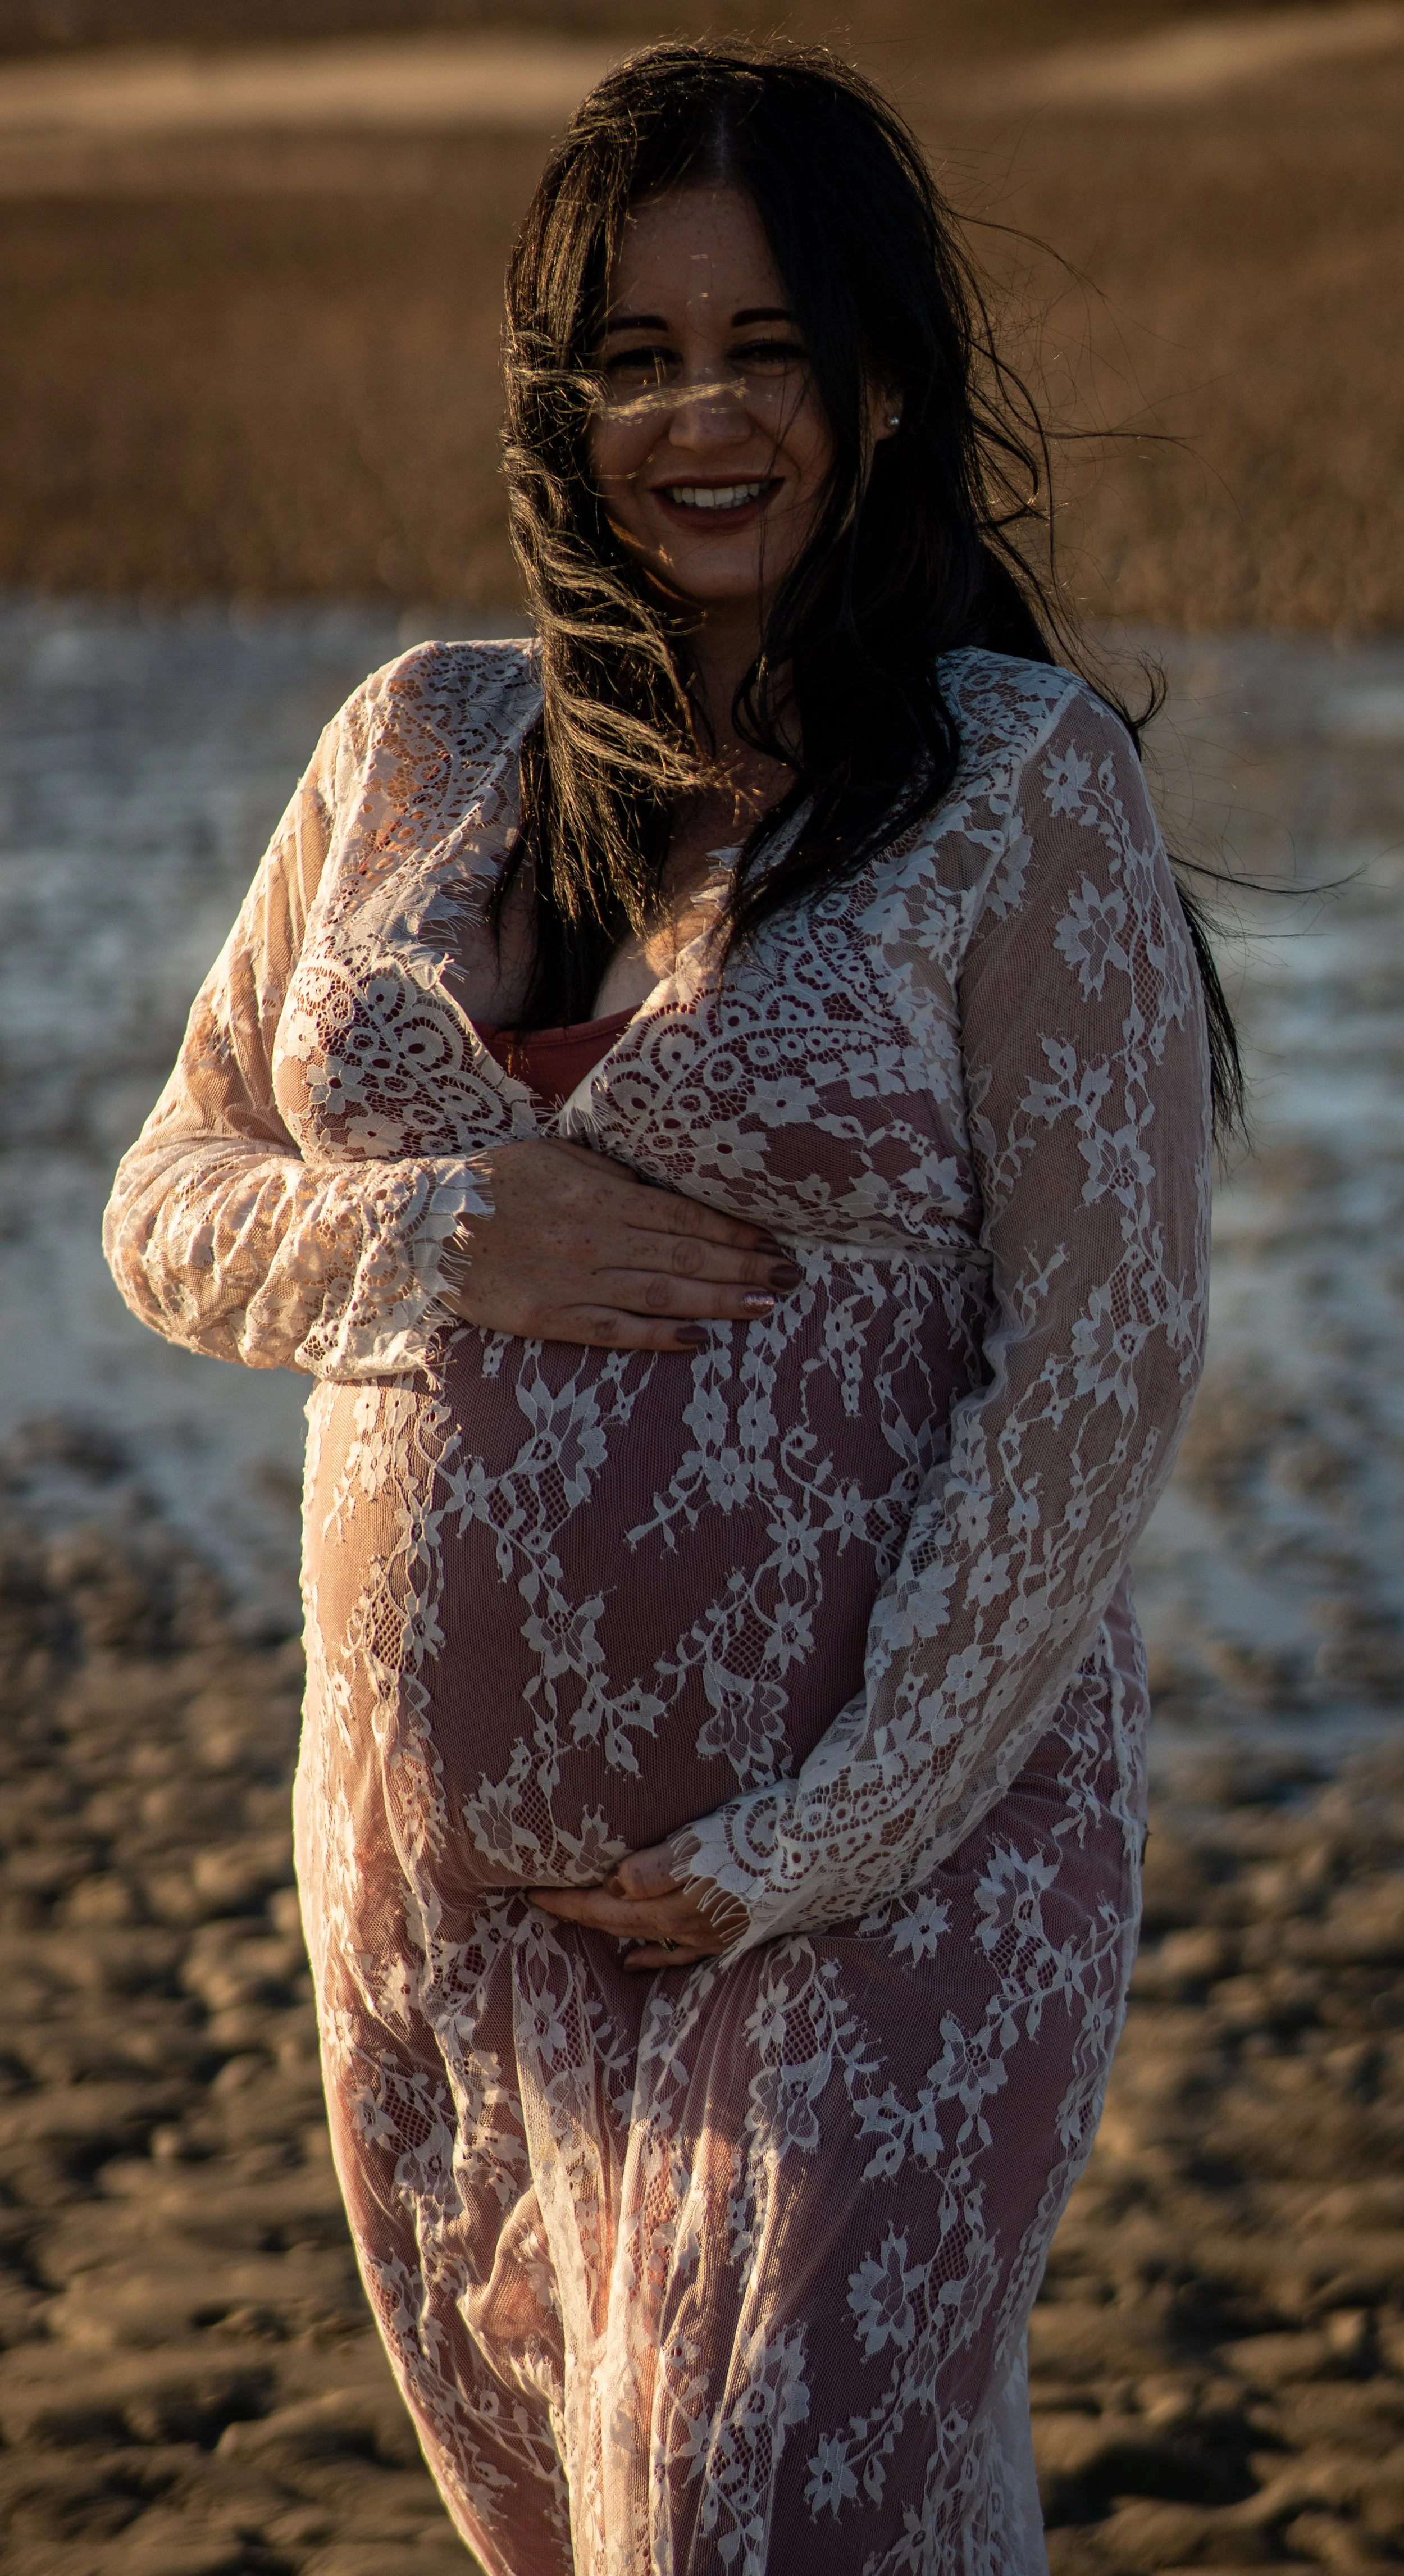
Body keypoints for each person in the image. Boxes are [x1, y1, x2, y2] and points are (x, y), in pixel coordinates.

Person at [104, 39, 1232, 2576]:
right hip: (440, 1911)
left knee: (736, 2526)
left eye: (759, 351)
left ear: (878, 387)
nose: (696, 418)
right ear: (554, 400)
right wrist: (433, 1237)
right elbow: (171, 1197)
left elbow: (1107, 1356)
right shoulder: (410, 742)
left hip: (882, 1877)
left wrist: (811, 1845)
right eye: (630, 357)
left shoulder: (1014, 780)